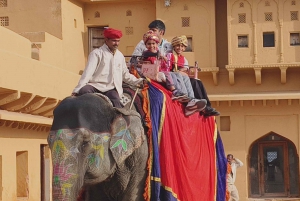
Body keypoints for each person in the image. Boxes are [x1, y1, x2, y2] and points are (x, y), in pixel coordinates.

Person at [130, 20, 219, 117]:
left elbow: (175, 58)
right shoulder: (143, 43)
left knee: (196, 82)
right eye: (150, 30)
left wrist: (181, 69)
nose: (151, 33)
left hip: (169, 70)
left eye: (154, 30)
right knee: (174, 75)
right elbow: (135, 60)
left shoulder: (168, 46)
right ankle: (183, 96)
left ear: (161, 32)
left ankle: (196, 102)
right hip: (154, 71)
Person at [72, 28, 144, 108]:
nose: (116, 43)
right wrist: (77, 90)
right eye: (114, 41)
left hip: (111, 88)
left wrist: (139, 81)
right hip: (95, 86)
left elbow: (125, 75)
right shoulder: (96, 53)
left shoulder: (120, 56)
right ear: (106, 40)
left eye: (118, 41)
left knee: (117, 103)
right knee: (84, 91)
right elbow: (87, 74)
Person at [141, 31, 207, 116]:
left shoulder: (161, 52)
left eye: (153, 43)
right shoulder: (148, 52)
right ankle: (176, 91)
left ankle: (191, 98)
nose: (151, 46)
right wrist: (160, 56)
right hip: (152, 72)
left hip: (160, 71)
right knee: (171, 74)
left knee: (183, 76)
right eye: (149, 44)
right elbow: (150, 57)